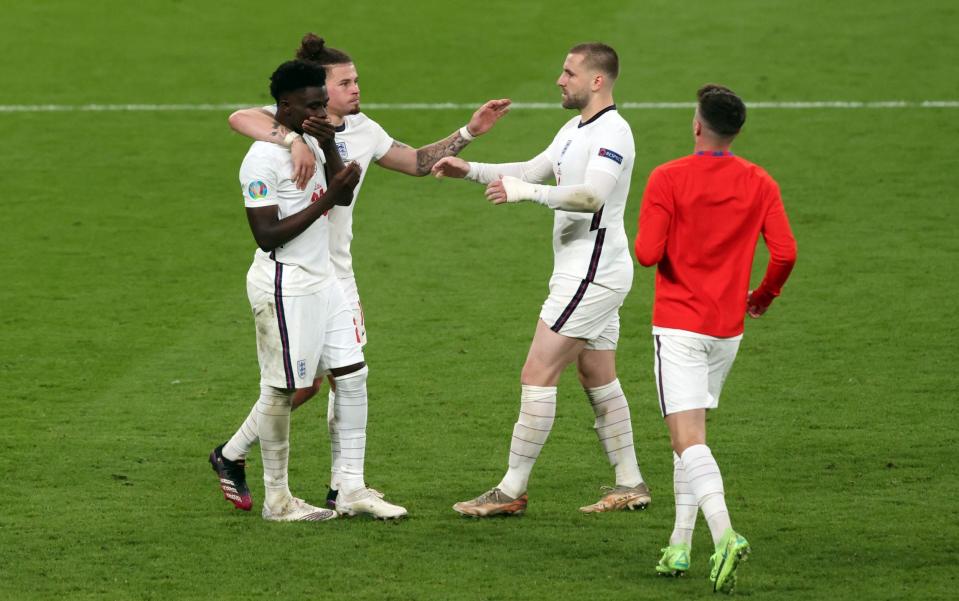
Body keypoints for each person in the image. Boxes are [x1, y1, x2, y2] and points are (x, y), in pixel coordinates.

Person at [219, 35, 510, 512]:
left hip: (336, 275)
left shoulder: (361, 129)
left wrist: (471, 131)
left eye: (357, 80)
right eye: (345, 82)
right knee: (300, 384)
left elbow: (417, 162)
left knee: (349, 374)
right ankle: (245, 466)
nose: (356, 89)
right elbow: (240, 118)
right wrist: (293, 139)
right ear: (319, 90)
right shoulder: (280, 127)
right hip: (292, 274)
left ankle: (346, 487)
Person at [432, 43, 651, 517]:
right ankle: (630, 482)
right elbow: (531, 170)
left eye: (569, 73)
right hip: (586, 270)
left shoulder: (615, 132)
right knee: (597, 373)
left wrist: (525, 194)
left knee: (537, 372)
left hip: (591, 274)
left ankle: (510, 490)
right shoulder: (574, 128)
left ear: (597, 81)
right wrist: (468, 170)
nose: (559, 80)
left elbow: (592, 196)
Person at [634, 84, 797, 592]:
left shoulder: (668, 178)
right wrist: (763, 296)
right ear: (737, 131)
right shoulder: (759, 181)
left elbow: (645, 253)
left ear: (697, 125)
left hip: (679, 326)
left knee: (687, 439)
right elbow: (786, 253)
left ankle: (725, 534)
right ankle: (679, 546)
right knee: (693, 437)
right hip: (727, 330)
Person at [208, 59, 371, 521]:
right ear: (284, 106)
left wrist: (328, 150)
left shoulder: (315, 141)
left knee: (352, 373)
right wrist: (324, 198)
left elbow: (341, 191)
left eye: (324, 104)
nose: (322, 112)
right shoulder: (261, 160)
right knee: (284, 390)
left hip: (325, 279)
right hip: (286, 284)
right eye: (313, 105)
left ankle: (351, 488)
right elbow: (267, 235)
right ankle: (277, 500)